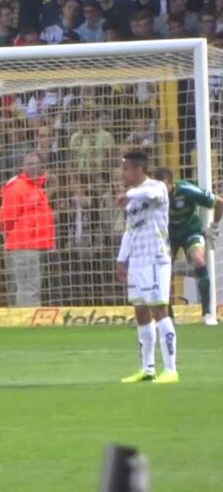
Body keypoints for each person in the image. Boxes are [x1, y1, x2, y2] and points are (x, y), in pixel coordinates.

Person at [117, 151, 178, 384]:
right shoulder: (132, 198)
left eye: (126, 169)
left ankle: (171, 369)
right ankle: (148, 368)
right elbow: (130, 230)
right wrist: (121, 259)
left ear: (139, 169)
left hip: (156, 257)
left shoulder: (157, 187)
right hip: (137, 260)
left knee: (159, 310)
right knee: (141, 312)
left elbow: (150, 193)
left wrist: (128, 194)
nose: (123, 173)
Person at [153, 168, 223, 325]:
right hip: (169, 234)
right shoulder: (152, 196)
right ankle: (168, 316)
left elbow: (219, 202)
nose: (160, 190)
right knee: (163, 270)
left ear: (171, 184)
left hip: (190, 230)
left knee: (198, 260)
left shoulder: (186, 189)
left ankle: (207, 314)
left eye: (164, 186)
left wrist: (214, 227)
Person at [0, 153, 54, 307]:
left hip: (32, 246)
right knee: (29, 288)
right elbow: (5, 220)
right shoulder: (18, 188)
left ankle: (21, 321)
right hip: (24, 246)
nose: (33, 167)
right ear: (22, 167)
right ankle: (29, 324)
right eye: (29, 164)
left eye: (36, 164)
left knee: (28, 286)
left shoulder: (34, 187)